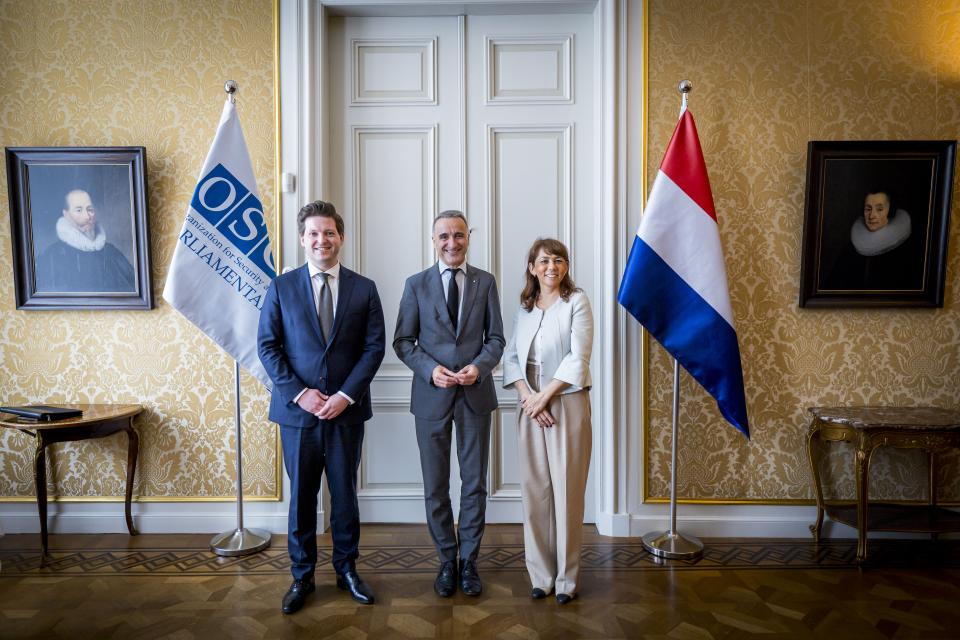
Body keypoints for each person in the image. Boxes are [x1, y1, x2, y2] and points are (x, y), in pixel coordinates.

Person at [258, 201, 385, 614]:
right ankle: (302, 576)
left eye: (329, 232)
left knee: (345, 496)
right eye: (313, 233)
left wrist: (344, 395)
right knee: (302, 499)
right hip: (297, 415)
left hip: (346, 412)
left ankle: (347, 570)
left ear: (341, 238)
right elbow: (268, 347)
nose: (321, 240)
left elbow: (373, 348)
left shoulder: (364, 289)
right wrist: (300, 393)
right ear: (302, 239)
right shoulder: (281, 287)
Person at [393, 210, 505, 598]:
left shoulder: (485, 282)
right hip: (431, 397)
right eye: (444, 236)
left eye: (458, 235)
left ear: (468, 237)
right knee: (435, 487)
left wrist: (480, 366)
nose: (452, 243)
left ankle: (469, 562)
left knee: (474, 485)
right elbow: (403, 342)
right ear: (433, 240)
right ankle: (446, 560)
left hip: (476, 396)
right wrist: (430, 370)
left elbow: (497, 339)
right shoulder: (415, 285)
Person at [502, 238, 593, 605]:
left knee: (567, 491)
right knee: (535, 492)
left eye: (558, 260)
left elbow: (578, 357)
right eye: (544, 261)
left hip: (566, 403)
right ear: (532, 267)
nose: (551, 267)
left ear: (566, 267)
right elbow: (511, 357)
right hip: (530, 407)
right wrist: (529, 398)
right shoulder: (524, 309)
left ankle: (567, 580)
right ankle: (540, 576)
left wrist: (546, 396)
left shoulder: (577, 302)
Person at [35, 189, 136, 293]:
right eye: (79, 210)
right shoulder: (52, 255)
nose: (87, 216)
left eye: (90, 209)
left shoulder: (111, 252)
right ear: (66, 214)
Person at [822, 189, 922, 291]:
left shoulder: (905, 250)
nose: (872, 216)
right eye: (868, 209)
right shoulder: (850, 248)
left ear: (890, 210)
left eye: (879, 209)